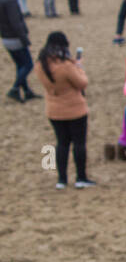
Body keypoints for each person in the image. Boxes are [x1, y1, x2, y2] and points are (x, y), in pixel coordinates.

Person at [35, 32, 91, 187]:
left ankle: (62, 179)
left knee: (62, 143)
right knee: (79, 144)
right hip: (74, 109)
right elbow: (82, 83)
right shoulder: (65, 66)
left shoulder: (40, 65)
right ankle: (81, 178)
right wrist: (78, 68)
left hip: (54, 110)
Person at [1, 0, 35, 102]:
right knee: (28, 65)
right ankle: (15, 89)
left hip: (5, 38)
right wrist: (24, 39)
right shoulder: (10, 1)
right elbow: (16, 23)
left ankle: (26, 91)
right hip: (15, 38)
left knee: (20, 65)